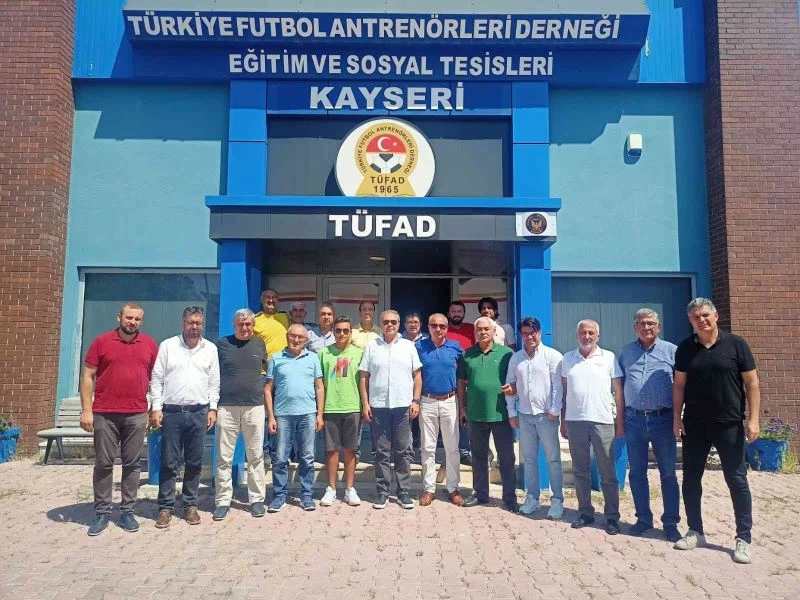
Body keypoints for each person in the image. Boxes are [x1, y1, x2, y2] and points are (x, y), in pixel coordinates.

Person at [673, 298, 760, 564]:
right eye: (696, 317)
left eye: (705, 315)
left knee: (737, 480)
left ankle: (743, 538)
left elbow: (752, 383)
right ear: (690, 320)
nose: (701, 320)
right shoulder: (686, 348)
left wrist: (753, 419)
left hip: (729, 424)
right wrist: (677, 418)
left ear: (716, 316)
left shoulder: (737, 344)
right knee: (691, 479)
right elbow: (679, 385)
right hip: (695, 425)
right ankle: (695, 531)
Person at [79, 303, 158, 536]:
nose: (132, 322)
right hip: (105, 413)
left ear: (142, 321)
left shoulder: (149, 344)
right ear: (119, 317)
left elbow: (156, 379)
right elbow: (87, 376)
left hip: (136, 413)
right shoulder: (101, 342)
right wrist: (86, 410)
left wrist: (155, 407)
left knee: (132, 464)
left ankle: (127, 511)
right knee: (104, 463)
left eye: (137, 319)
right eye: (128, 317)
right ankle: (102, 513)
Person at [150, 307, 220, 529]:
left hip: (199, 412)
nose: (194, 327)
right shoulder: (168, 346)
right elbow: (156, 378)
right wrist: (156, 407)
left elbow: (214, 382)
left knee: (194, 462)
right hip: (172, 413)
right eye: (191, 322)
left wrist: (213, 409)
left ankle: (190, 505)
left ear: (202, 324)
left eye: (198, 323)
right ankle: (165, 507)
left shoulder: (210, 349)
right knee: (169, 462)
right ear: (183, 323)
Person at [618, 308, 680, 542]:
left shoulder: (672, 351)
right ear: (635, 327)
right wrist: (620, 421)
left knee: (668, 474)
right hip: (634, 420)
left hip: (663, 420)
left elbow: (682, 385)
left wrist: (678, 417)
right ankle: (643, 519)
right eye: (642, 323)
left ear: (658, 326)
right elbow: (619, 389)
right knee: (636, 473)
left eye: (651, 323)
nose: (646, 327)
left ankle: (671, 523)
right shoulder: (626, 353)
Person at [561, 319, 624, 535]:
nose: (586, 336)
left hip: (602, 421)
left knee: (607, 472)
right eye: (582, 332)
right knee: (580, 470)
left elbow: (618, 392)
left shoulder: (609, 357)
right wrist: (563, 420)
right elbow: (564, 392)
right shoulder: (568, 359)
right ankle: (585, 512)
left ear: (598, 336)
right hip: (575, 421)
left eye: (590, 333)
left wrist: (619, 422)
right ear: (577, 335)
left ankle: (612, 516)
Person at [502, 317, 564, 519]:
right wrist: (512, 412)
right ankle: (533, 498)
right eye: (525, 333)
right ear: (520, 335)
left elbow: (558, 386)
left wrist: (554, 410)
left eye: (532, 332)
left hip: (546, 416)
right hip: (524, 415)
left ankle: (557, 500)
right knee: (529, 459)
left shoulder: (552, 356)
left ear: (539, 332)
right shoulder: (516, 359)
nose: (529, 337)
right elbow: (509, 386)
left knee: (553, 458)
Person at [359, 309, 422, 509]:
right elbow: (363, 377)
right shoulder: (372, 346)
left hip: (403, 406)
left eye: (393, 322)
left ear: (398, 324)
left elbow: (417, 376)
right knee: (381, 451)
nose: (390, 325)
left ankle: (403, 492)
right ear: (381, 323)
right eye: (386, 322)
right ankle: (382, 492)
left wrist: (416, 401)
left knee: (403, 451)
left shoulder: (408, 346)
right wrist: (365, 403)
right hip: (378, 406)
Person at [213, 309, 268, 521]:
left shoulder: (259, 344)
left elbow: (264, 370)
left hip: (254, 407)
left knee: (255, 456)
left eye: (248, 324)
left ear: (253, 325)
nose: (244, 328)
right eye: (240, 324)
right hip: (226, 407)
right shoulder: (222, 344)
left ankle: (256, 500)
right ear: (234, 324)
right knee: (224, 458)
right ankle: (223, 501)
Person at [458, 317, 517, 511]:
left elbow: (517, 380)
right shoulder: (467, 355)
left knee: (506, 457)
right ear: (475, 333)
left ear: (494, 332)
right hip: (476, 414)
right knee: (479, 457)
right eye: (479, 329)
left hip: (501, 414)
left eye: (486, 329)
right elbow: (461, 382)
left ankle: (509, 497)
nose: (483, 332)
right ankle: (480, 494)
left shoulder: (507, 354)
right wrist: (462, 408)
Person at [265, 324, 324, 512]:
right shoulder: (276, 358)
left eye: (300, 337)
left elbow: (319, 387)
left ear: (306, 340)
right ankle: (279, 496)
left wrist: (319, 414)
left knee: (307, 457)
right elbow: (268, 389)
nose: (296, 340)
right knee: (280, 457)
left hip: (308, 414)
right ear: (287, 336)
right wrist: (271, 416)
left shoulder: (313, 358)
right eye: (293, 336)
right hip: (283, 415)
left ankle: (306, 495)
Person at [415, 313, 465, 506]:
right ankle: (429, 489)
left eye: (442, 326)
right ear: (428, 327)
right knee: (428, 447)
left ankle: (453, 488)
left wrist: (462, 405)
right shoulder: (419, 347)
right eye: (434, 325)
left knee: (452, 448)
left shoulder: (455, 347)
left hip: (449, 400)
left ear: (447, 328)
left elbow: (462, 377)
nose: (438, 329)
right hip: (427, 400)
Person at [318, 316, 363, 507]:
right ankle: (331, 489)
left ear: (351, 332)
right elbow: (319, 384)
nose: (342, 334)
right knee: (331, 450)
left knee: (351, 450)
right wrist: (319, 412)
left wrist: (365, 405)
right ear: (333, 332)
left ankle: (349, 489)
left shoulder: (359, 353)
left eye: (346, 330)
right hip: (331, 407)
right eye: (338, 330)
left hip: (352, 407)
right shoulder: (323, 353)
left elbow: (363, 381)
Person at [446, 300, 475, 465]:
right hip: (447, 381)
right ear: (448, 314)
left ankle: (464, 451)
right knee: (450, 417)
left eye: (459, 311)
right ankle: (450, 451)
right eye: (453, 311)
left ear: (463, 313)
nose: (456, 314)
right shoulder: (443, 329)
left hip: (467, 380)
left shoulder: (471, 329)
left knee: (465, 415)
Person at [253, 288, 289, 359]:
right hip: (267, 362)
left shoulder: (285, 316)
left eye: (274, 297)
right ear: (261, 300)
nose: (271, 300)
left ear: (277, 300)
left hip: (286, 361)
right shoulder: (255, 320)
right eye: (268, 297)